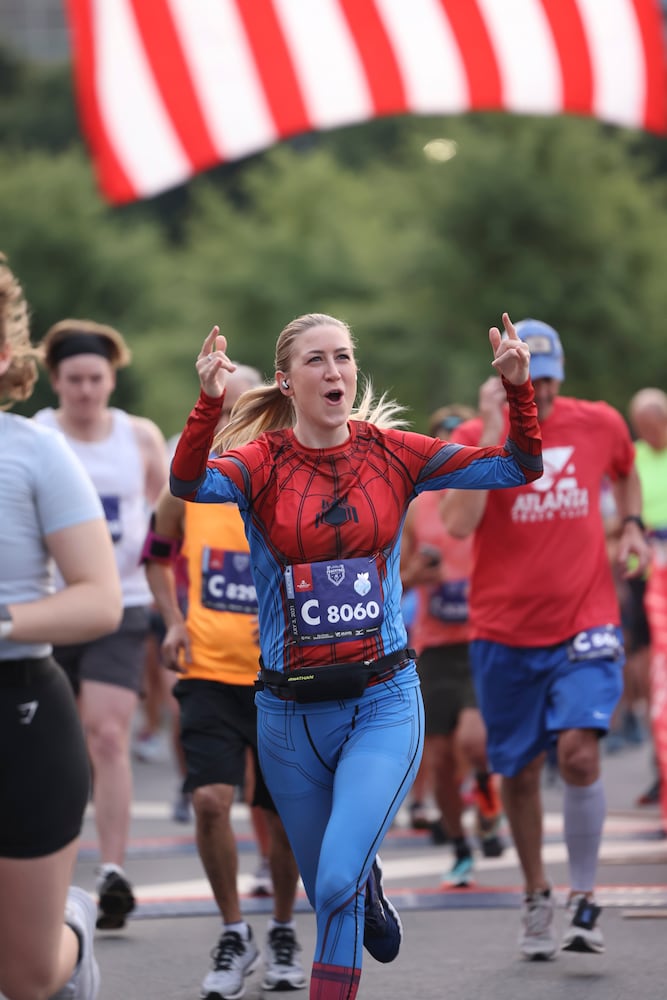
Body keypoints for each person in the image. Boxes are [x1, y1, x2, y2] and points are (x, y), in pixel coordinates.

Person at [169, 310, 542, 999]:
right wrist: (207, 402)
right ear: (285, 380)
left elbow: (517, 467)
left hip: (381, 698)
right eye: (315, 360)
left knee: (336, 877)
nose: (333, 370)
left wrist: (518, 392)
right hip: (286, 713)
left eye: (342, 356)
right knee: (332, 897)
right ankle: (363, 884)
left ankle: (359, 877)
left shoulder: (393, 452)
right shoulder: (258, 463)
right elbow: (188, 484)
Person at [440, 318, 652, 960]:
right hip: (504, 632)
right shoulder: (476, 435)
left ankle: (584, 896)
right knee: (522, 772)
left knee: (581, 755)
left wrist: (634, 525)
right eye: (532, 379)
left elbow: (625, 471)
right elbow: (455, 524)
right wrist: (491, 427)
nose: (545, 392)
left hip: (586, 618)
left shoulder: (600, 422)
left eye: (551, 378)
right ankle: (537, 892)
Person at [143, 364, 307, 999]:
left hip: (282, 676)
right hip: (208, 673)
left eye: (245, 411)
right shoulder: (189, 487)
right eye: (222, 411)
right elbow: (156, 555)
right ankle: (235, 931)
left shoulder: (289, 479)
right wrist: (173, 621)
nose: (233, 424)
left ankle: (286, 929)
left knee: (282, 814)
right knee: (211, 799)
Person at [0, 253, 122, 1000]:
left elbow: (99, 600)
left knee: (25, 974)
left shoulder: (35, 450)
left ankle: (68, 935)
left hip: (20, 715)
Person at [33, 318, 169, 930]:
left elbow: (167, 519)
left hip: (121, 604)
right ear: (54, 382)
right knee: (49, 745)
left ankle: (112, 870)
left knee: (109, 734)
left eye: (96, 379)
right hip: (49, 608)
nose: (86, 391)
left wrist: (174, 607)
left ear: (112, 379)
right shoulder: (37, 437)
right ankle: (46, 869)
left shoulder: (138, 437)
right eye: (74, 380)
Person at [400, 404, 503, 887]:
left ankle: (485, 786)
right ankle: (461, 845)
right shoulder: (419, 508)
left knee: (474, 741)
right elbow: (394, 579)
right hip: (433, 646)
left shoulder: (484, 501)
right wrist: (419, 573)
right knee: (437, 758)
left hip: (478, 641)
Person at [628, 387, 667, 816]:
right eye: (640, 428)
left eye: (653, 427)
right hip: (646, 572)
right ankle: (655, 749)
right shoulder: (635, 456)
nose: (647, 435)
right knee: (643, 655)